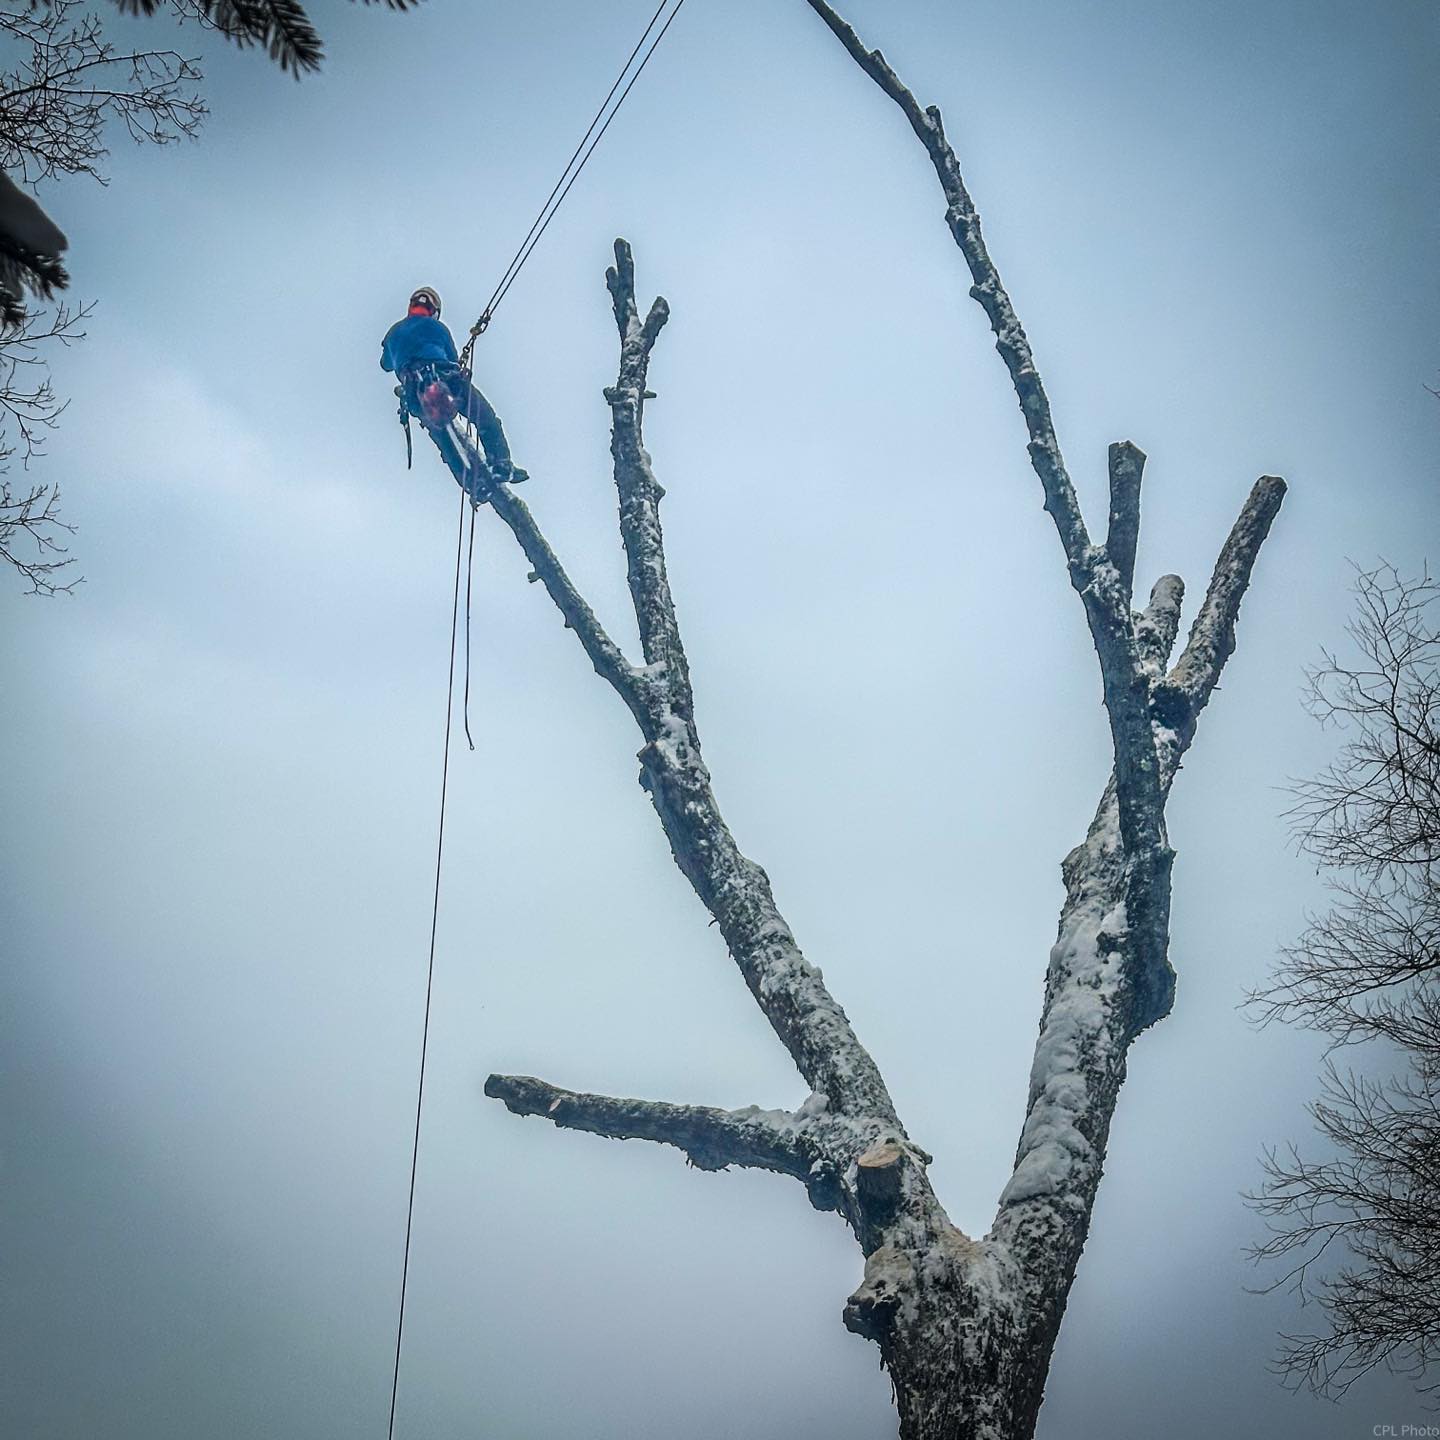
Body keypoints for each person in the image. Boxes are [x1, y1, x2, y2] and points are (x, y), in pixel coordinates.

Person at [380, 287, 525, 484]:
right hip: (446, 378)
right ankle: (501, 464)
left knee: (443, 437)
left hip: (414, 390)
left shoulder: (394, 333)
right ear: (434, 310)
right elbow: (453, 360)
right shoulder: (439, 329)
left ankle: (470, 482)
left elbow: (385, 364)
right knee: (486, 419)